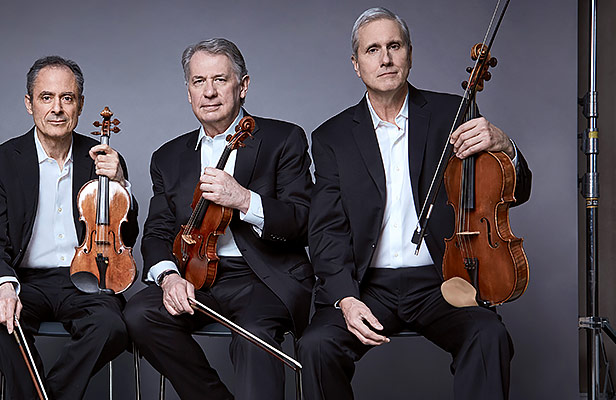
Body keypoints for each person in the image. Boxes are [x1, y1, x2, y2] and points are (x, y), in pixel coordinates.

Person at [296, 7, 533, 400]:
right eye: (373, 50)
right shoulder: (331, 137)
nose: (385, 58)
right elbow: (326, 231)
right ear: (356, 65)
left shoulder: (452, 115)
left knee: (489, 335)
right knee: (315, 347)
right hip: (366, 285)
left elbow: (513, 190)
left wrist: (505, 146)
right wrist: (346, 298)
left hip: (443, 279)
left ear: (409, 53)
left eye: (394, 46)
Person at [123, 38, 314, 400]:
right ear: (188, 91)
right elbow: (157, 232)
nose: (209, 92)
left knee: (255, 339)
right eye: (199, 82)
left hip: (263, 278)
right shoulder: (168, 156)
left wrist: (243, 199)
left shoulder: (283, 139)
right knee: (139, 314)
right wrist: (167, 278)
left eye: (220, 80)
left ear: (242, 87)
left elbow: (303, 221)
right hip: (196, 277)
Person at [0, 55, 138, 400]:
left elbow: (127, 237)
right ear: (29, 103)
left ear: (80, 105)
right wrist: (3, 288)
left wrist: (121, 183)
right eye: (46, 97)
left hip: (85, 278)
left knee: (111, 327)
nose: (57, 108)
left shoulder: (102, 161)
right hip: (24, 280)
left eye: (67, 98)